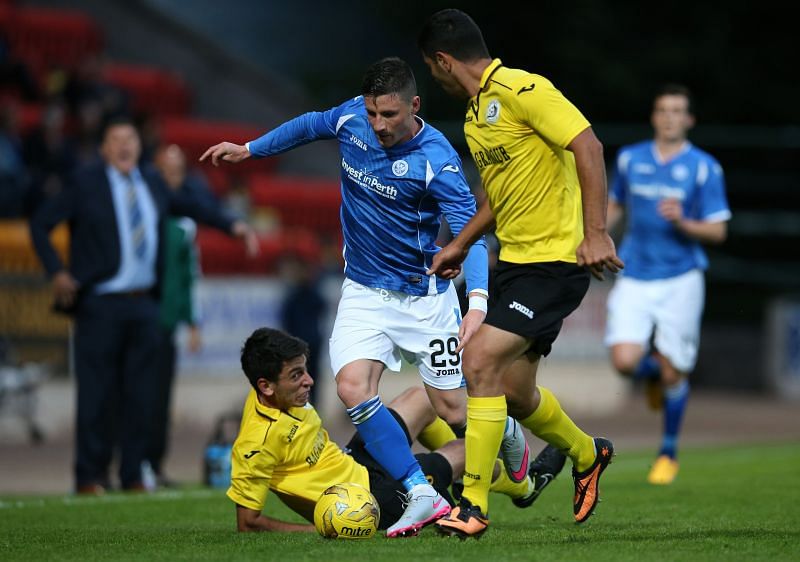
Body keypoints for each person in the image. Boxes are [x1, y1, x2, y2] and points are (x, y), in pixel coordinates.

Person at [200, 57, 534, 538]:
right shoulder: (351, 117)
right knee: (353, 386)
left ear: (414, 106)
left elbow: (470, 234)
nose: (377, 124)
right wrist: (251, 149)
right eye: (373, 113)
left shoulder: (436, 159)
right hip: (362, 289)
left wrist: (477, 302)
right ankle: (419, 492)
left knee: (453, 410)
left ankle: (504, 430)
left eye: (389, 115)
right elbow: (310, 124)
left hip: (424, 299)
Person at [418, 9, 624, 537]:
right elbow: (496, 196)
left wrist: (595, 232)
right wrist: (461, 244)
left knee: (478, 358)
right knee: (513, 392)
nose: (433, 78)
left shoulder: (523, 88)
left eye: (431, 69)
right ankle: (586, 452)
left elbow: (588, 145)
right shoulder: (473, 116)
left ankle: (473, 505)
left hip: (556, 261)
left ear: (442, 61)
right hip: (514, 260)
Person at [28, 116, 258, 494]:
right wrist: (56, 271)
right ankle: (90, 475)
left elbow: (191, 205)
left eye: (130, 139)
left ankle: (134, 473)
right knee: (97, 394)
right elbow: (41, 223)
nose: (124, 145)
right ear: (104, 148)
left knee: (142, 395)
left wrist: (233, 225)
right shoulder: (86, 183)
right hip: (100, 302)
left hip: (145, 305)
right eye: (116, 139)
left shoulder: (151, 182)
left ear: (139, 147)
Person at [229, 327, 563, 533]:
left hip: (354, 463)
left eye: (304, 371)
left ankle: (455, 480)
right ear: (266, 386)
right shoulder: (255, 445)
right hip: (375, 500)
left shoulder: (271, 396)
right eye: (297, 376)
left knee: (422, 398)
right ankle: (524, 487)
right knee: (469, 452)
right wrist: (324, 526)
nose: (309, 381)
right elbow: (249, 523)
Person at [604, 84, 730, 485]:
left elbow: (718, 232)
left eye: (677, 110)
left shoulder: (705, 168)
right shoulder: (630, 159)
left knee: (676, 372)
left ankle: (668, 452)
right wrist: (598, 236)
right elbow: (615, 205)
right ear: (654, 116)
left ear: (689, 119)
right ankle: (654, 376)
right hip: (636, 272)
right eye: (663, 109)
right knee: (624, 362)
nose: (669, 117)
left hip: (682, 278)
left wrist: (683, 222)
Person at [147, 143, 206, 486]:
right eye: (167, 168)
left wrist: (193, 322)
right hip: (137, 313)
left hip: (164, 321)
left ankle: (151, 465)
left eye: (178, 169)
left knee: (158, 396)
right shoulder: (141, 211)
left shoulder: (184, 222)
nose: (173, 176)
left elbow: (190, 276)